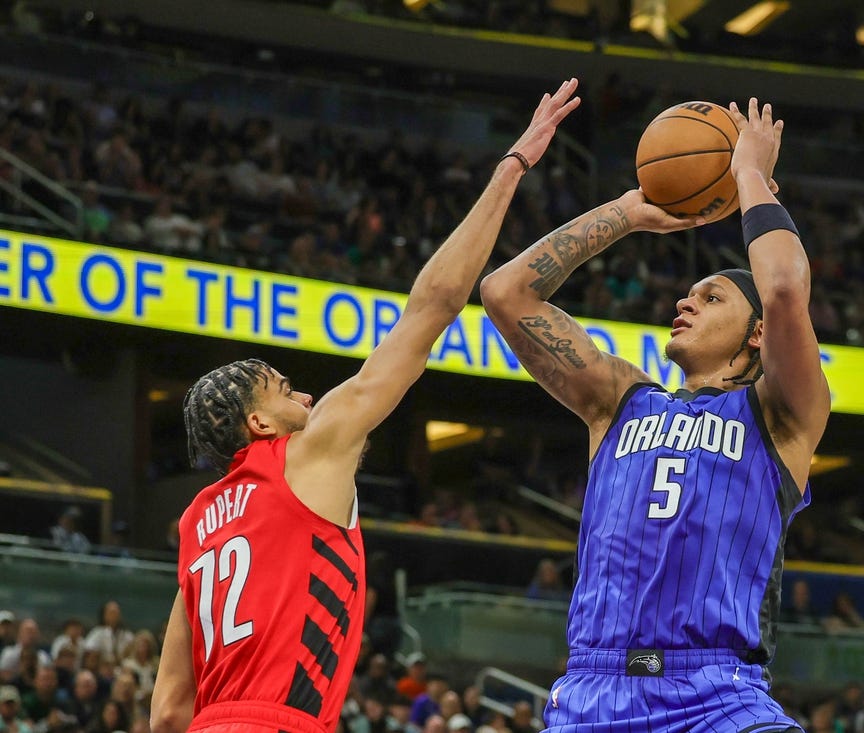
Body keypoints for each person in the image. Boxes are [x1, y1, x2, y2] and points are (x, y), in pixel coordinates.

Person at [149, 79, 581, 733]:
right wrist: (512, 165)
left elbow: (167, 712)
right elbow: (430, 307)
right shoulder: (304, 451)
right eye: (282, 388)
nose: (304, 394)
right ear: (259, 424)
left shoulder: (195, 522)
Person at [481, 98, 830, 731]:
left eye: (710, 296)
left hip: (718, 695)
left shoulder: (780, 416)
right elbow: (506, 293)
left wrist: (747, 173)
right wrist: (625, 214)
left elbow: (782, 289)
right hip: (594, 688)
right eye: (688, 293)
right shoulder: (619, 399)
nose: (684, 301)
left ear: (757, 336)